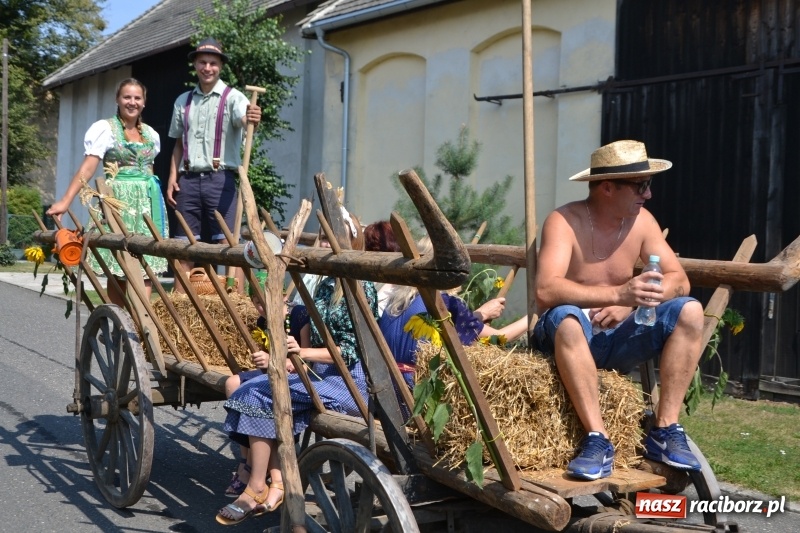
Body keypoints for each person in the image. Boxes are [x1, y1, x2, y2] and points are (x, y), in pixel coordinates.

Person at [532, 139, 704, 480]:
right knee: (566, 317)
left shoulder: (643, 222)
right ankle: (597, 439)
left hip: (617, 338)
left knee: (690, 311)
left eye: (648, 184)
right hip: (567, 338)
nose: (648, 194)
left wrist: (631, 303)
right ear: (608, 188)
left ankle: (665, 429)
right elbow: (545, 290)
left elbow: (679, 281)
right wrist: (618, 294)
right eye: (641, 185)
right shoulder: (564, 221)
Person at [216, 212, 377, 525]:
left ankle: (257, 486)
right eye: (322, 238)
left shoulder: (360, 287)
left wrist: (301, 352)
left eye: (332, 239)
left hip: (349, 382)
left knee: (257, 394)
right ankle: (270, 482)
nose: (324, 244)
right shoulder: (326, 284)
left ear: (351, 242)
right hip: (319, 372)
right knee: (250, 389)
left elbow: (351, 353)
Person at [46, 78, 168, 307]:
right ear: (117, 100)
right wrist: (65, 201)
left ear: (144, 102)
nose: (132, 102)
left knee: (147, 264)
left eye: (137, 98)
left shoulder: (151, 134)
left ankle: (143, 320)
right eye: (127, 97)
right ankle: (118, 319)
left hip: (148, 202)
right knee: (119, 262)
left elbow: (149, 169)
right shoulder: (105, 129)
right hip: (118, 201)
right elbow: (87, 168)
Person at [165, 38, 261, 290]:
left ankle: (236, 302)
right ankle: (181, 305)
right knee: (184, 247)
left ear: (220, 66)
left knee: (228, 245)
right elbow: (178, 144)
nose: (207, 68)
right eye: (203, 62)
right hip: (187, 181)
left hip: (220, 180)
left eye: (213, 63)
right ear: (195, 65)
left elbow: (245, 119)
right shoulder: (183, 101)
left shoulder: (234, 98)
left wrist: (252, 117)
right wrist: (172, 177)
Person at [379, 236, 528, 390]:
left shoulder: (397, 297)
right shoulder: (443, 303)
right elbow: (499, 337)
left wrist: (481, 314)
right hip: (410, 391)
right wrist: (534, 315)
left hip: (383, 385)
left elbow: (450, 324)